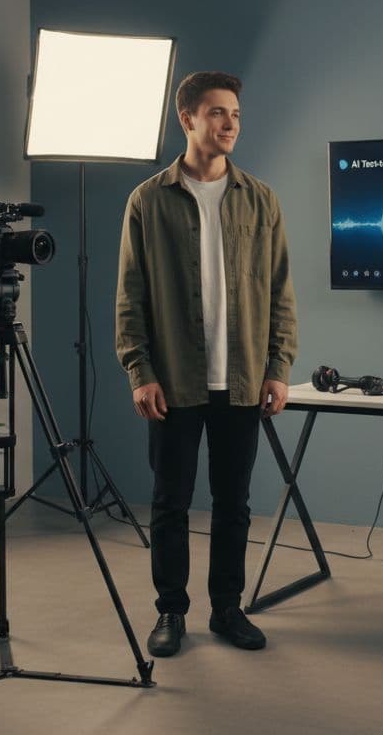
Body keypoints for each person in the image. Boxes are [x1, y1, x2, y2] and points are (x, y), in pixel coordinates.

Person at [115, 71, 297, 657]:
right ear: (186, 118)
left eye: (236, 114)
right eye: (217, 113)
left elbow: (281, 293)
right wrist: (139, 371)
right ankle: (171, 612)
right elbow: (130, 295)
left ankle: (227, 609)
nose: (230, 124)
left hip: (241, 380)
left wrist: (278, 366)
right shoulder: (149, 200)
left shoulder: (261, 199)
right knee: (170, 502)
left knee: (233, 504)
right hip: (174, 382)